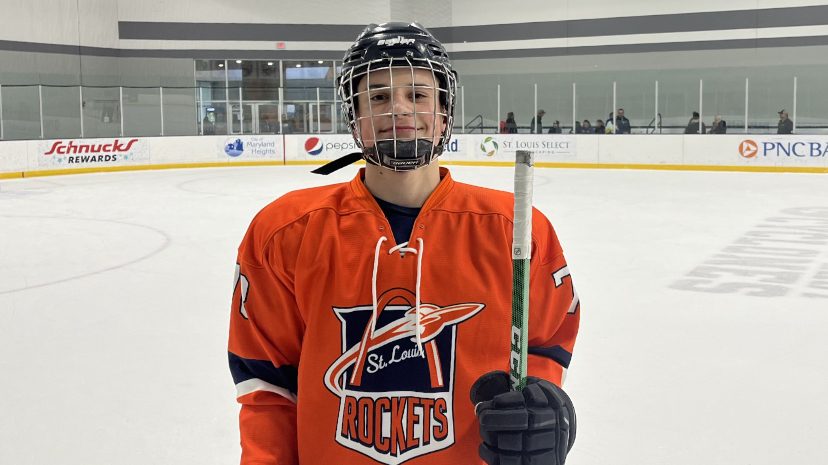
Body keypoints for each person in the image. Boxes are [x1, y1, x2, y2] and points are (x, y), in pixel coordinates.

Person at [228, 22, 580, 465]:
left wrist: (538, 404)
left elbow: (545, 343)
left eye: (417, 95)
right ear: (353, 114)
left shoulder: (516, 228)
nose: (398, 108)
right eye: (377, 96)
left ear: (444, 110)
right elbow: (266, 383)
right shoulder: (285, 231)